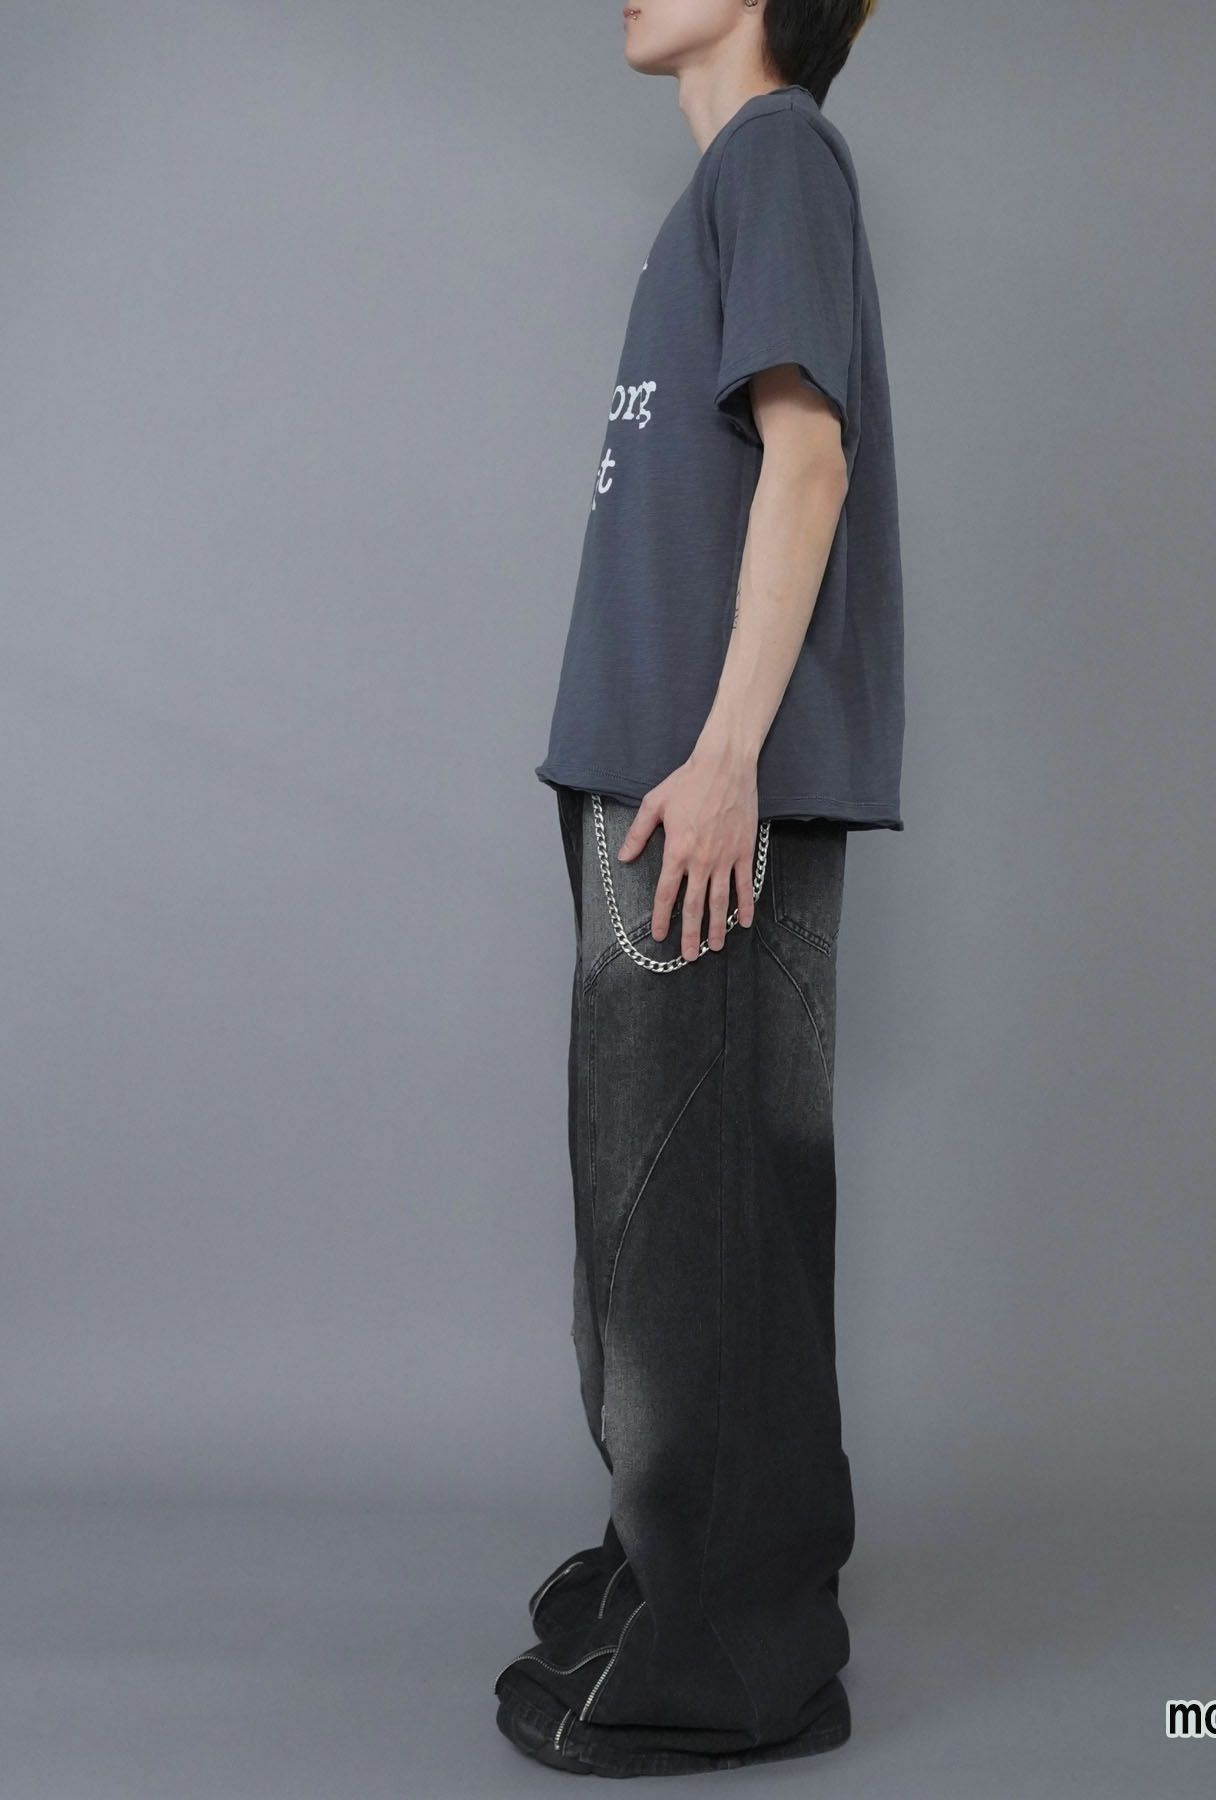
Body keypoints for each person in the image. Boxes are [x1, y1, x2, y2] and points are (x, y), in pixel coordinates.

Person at [494, 0, 903, 1776]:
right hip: (652, 781)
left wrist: (728, 753)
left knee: (703, 1220)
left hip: (702, 794)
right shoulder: (727, 185)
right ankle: (669, 1575)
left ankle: (738, 1649)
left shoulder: (780, 157)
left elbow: (808, 457)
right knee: (650, 1226)